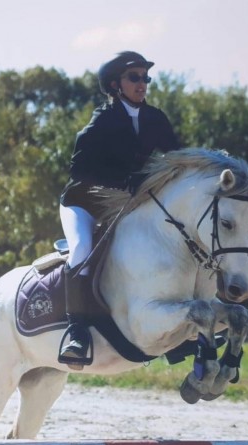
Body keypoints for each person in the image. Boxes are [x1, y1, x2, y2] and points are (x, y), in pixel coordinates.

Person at [58, 51, 180, 368]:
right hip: (83, 203)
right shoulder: (102, 122)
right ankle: (76, 330)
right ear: (116, 84)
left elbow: (178, 157)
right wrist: (125, 180)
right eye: (135, 77)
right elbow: (79, 171)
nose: (143, 83)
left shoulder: (156, 119)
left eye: (145, 77)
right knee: (82, 249)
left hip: (124, 205)